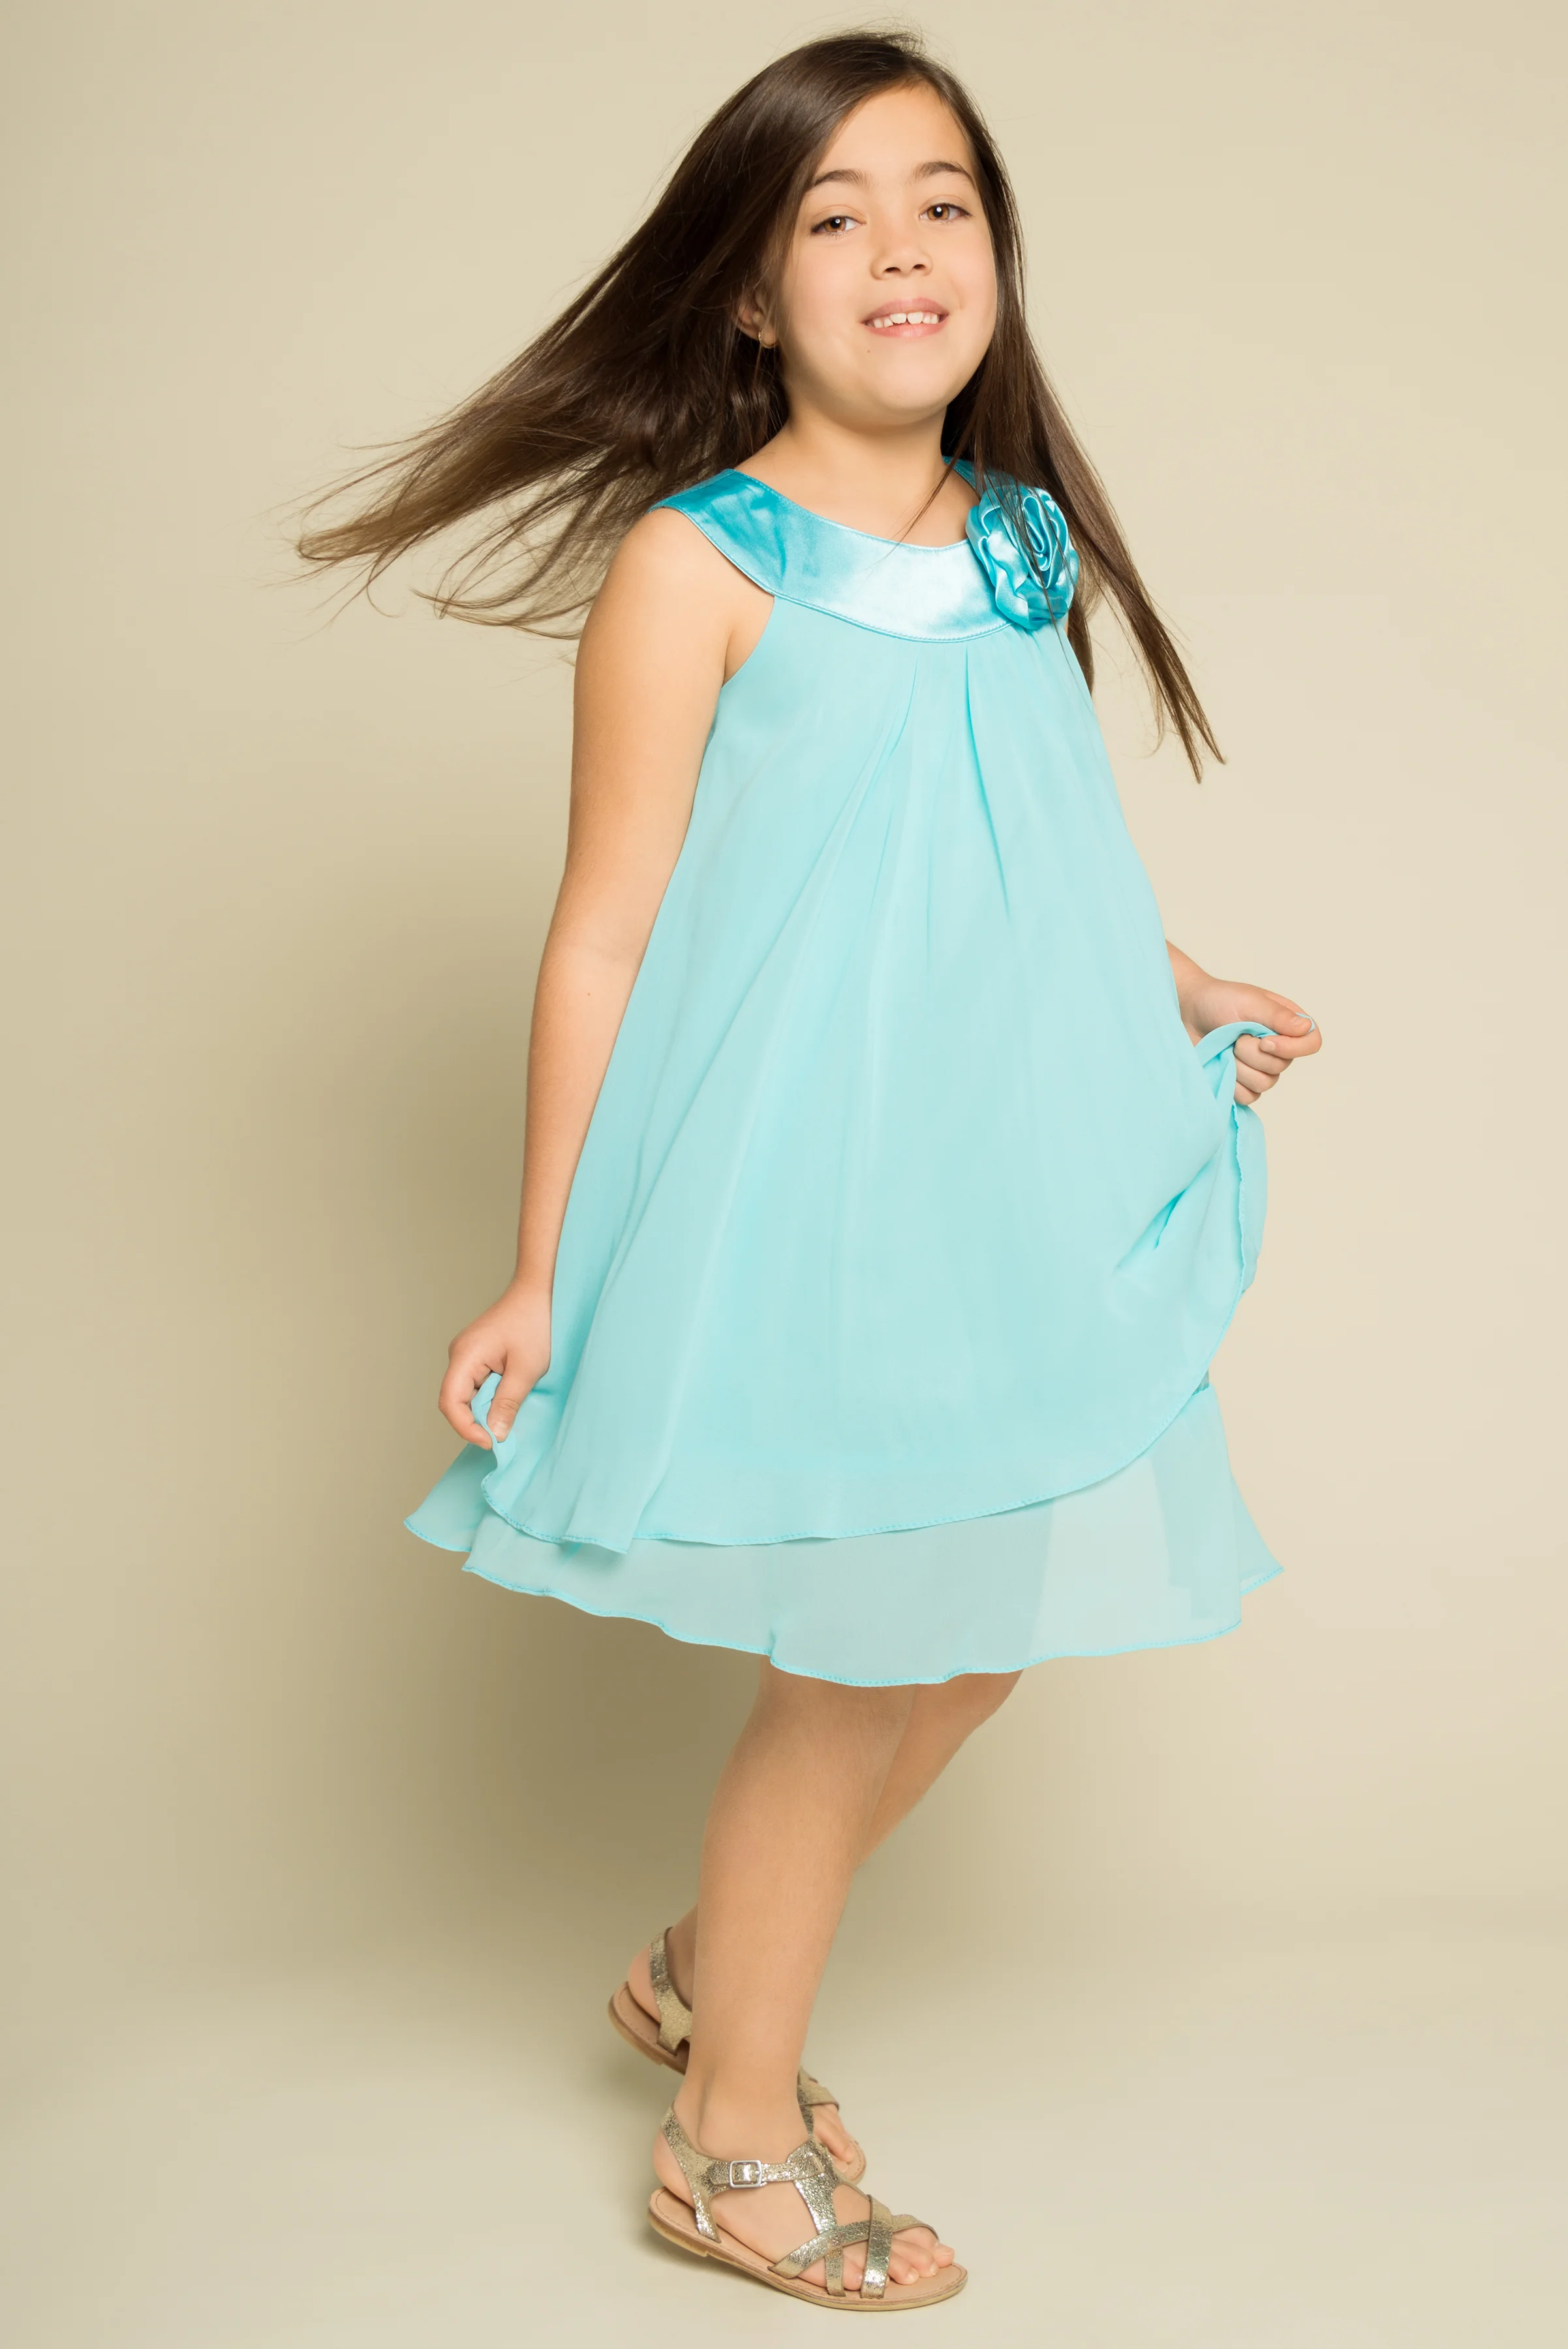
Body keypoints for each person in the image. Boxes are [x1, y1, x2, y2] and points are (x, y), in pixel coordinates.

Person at [299, 29, 1321, 2311]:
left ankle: (707, 1973)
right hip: (816, 1199)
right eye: (834, 214)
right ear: (752, 296)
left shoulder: (1027, 545)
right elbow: (603, 928)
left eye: (942, 202)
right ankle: (730, 2142)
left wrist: (1179, 985)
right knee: (856, 1668)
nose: (901, 247)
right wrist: (542, 1266)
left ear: (998, 257)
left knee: (977, 1639)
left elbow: (1033, 840)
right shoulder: (699, 565)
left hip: (996, 1178)